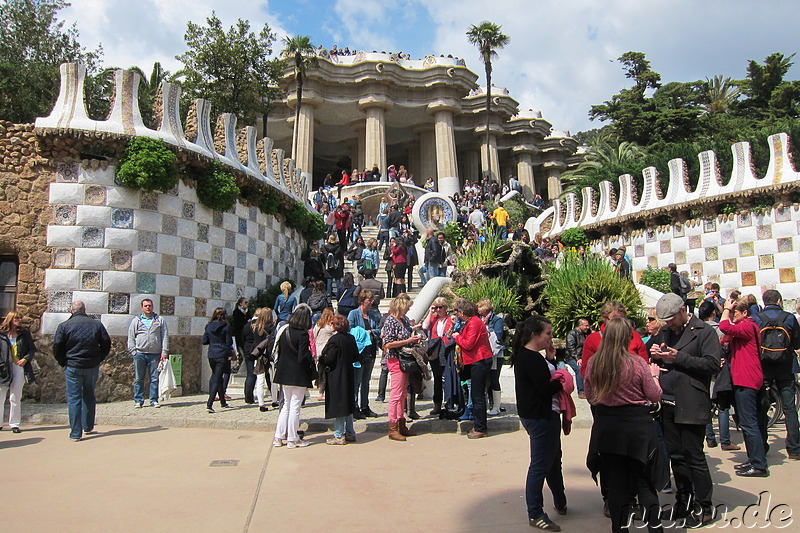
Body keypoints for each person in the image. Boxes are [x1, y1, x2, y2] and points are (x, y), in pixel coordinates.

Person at [647, 293, 721, 527]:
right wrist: (657, 356)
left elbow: (711, 364)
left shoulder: (704, 331)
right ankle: (683, 501)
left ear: (682, 311)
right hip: (668, 403)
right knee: (676, 457)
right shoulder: (666, 332)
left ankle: (704, 505)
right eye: (664, 321)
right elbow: (656, 356)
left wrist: (680, 357)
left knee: (694, 456)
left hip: (691, 402)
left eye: (671, 319)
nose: (668, 324)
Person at [584, 318, 665, 533]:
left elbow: (590, 396)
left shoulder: (594, 363)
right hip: (637, 427)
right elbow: (654, 395)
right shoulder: (636, 362)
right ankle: (655, 529)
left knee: (617, 485)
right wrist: (655, 377)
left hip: (608, 427)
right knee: (644, 483)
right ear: (627, 337)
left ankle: (619, 530)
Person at [512, 315, 566, 532]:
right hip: (541, 417)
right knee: (540, 466)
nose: (551, 338)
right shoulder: (531, 359)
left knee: (551, 460)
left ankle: (560, 500)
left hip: (538, 416)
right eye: (548, 334)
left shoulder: (530, 356)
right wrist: (562, 379)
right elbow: (545, 388)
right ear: (535, 334)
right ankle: (535, 512)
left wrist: (551, 361)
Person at [719, 299, 768, 476]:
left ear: (745, 313)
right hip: (745, 377)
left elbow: (724, 327)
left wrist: (725, 309)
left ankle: (759, 464)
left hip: (746, 378)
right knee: (748, 422)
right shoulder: (747, 328)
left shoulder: (747, 327)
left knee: (749, 423)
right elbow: (724, 338)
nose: (733, 316)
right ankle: (754, 459)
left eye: (736, 313)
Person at [53, 301, 111, 441]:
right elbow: (106, 343)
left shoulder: (64, 326)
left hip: (73, 365)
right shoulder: (96, 324)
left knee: (74, 399)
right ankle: (88, 426)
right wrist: (99, 358)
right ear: (84, 309)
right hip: (91, 365)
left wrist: (63, 361)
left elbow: (57, 346)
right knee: (89, 395)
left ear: (71, 310)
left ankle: (75, 433)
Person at [753, 289, 800, 461]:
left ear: (764, 302)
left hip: (764, 367)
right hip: (786, 366)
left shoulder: (757, 318)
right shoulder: (789, 317)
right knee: (790, 409)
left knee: (762, 407)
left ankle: (762, 446)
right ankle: (795, 449)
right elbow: (796, 342)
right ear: (779, 301)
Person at [449, 298, 493, 439]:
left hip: (479, 360)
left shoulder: (474, 322)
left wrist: (457, 337)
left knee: (477, 395)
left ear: (461, 312)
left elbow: (468, 344)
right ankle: (479, 424)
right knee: (476, 394)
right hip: (476, 360)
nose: (455, 314)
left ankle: (480, 427)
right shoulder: (472, 321)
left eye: (456, 311)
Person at [273, 304, 315, 448]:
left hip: (284, 373)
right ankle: (292, 438)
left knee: (286, 405)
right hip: (298, 374)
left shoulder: (285, 330)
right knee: (295, 406)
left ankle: (279, 436)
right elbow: (302, 357)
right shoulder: (303, 334)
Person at [381, 293, 422, 441]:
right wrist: (408, 340)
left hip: (404, 358)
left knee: (403, 393)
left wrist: (413, 338)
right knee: (396, 394)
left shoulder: (403, 320)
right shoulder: (390, 321)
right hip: (395, 359)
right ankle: (393, 426)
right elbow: (388, 344)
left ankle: (401, 424)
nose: (408, 310)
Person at [580, 301, 648, 379]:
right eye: (613, 320)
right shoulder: (593, 339)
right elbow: (585, 371)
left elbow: (645, 365)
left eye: (621, 320)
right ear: (604, 318)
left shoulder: (634, 336)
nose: (617, 323)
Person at [321, 315, 359, 445]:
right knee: (348, 403)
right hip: (348, 372)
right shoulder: (351, 338)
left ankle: (338, 434)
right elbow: (355, 356)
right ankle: (350, 432)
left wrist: (321, 359)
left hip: (336, 375)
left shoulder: (334, 340)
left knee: (339, 404)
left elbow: (329, 359)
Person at [127, 299, 169, 409]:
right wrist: (133, 351)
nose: (148, 308)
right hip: (140, 353)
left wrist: (164, 352)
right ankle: (138, 400)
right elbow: (131, 336)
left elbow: (164, 336)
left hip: (155, 353)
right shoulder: (136, 320)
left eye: (150, 305)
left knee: (154, 378)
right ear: (142, 308)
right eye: (145, 306)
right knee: (138, 378)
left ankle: (153, 400)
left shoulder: (159, 320)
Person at [0, 311, 36, 433]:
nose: (19, 321)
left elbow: (32, 349)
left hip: (18, 367)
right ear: (10, 319)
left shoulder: (24, 334)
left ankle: (14, 423)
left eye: (20, 318)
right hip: (3, 368)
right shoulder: (2, 334)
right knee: (1, 396)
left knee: (15, 396)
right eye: (16, 318)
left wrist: (25, 359)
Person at [347, 290, 381, 419]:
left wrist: (371, 331)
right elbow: (350, 329)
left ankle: (365, 406)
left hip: (370, 350)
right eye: (369, 300)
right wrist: (363, 332)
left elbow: (379, 329)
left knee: (366, 380)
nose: (371, 302)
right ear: (362, 301)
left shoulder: (373, 314)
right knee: (357, 381)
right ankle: (354, 407)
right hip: (358, 352)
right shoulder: (353, 314)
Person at [422, 297, 454, 416]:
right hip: (435, 350)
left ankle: (449, 402)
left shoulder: (450, 319)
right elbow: (425, 327)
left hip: (446, 349)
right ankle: (437, 403)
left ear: (445, 308)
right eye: (437, 307)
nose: (438, 310)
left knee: (448, 377)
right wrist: (431, 312)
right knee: (437, 378)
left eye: (441, 307)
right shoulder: (434, 319)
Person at [202, 307, 236, 413]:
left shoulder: (208, 326)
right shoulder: (226, 326)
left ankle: (223, 401)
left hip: (212, 353)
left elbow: (204, 341)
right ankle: (209, 404)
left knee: (217, 376)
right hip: (222, 354)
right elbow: (229, 342)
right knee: (217, 378)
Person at [244, 308, 276, 412]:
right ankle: (275, 400)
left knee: (260, 380)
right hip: (268, 354)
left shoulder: (255, 327)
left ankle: (261, 403)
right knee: (272, 379)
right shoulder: (271, 327)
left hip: (258, 354)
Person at [478, 299, 506, 416]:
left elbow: (499, 335)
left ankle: (496, 406)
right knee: (486, 380)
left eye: (480, 307)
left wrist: (487, 330)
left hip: (496, 353)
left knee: (494, 379)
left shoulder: (496, 320)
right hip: (485, 353)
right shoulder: (480, 320)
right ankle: (489, 403)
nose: (478, 309)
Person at [565, 318, 590, 399]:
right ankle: (581, 392)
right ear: (580, 326)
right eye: (586, 326)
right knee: (579, 368)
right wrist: (577, 358)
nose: (588, 327)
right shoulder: (572, 334)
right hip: (572, 357)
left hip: (583, 356)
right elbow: (570, 347)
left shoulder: (586, 333)